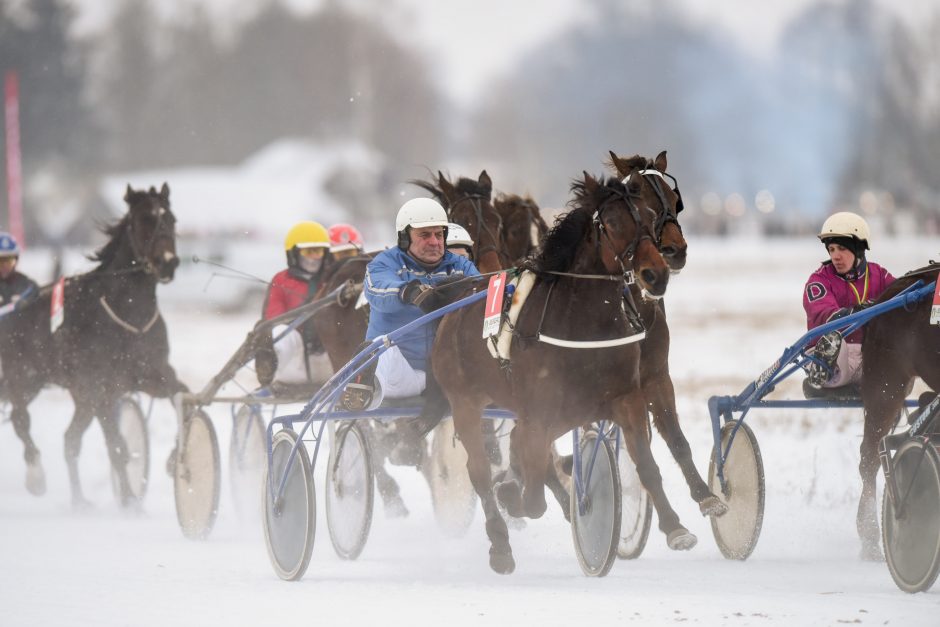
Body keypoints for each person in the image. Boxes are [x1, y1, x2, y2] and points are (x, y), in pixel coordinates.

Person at [342, 199, 479, 461]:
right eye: (424, 235)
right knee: (383, 347)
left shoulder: (460, 265)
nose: (434, 242)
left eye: (439, 235)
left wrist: (462, 286)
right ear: (405, 238)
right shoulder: (384, 263)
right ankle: (360, 381)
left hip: (445, 376)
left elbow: (480, 292)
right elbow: (377, 289)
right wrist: (409, 290)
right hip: (399, 374)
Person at [802, 211, 894, 393]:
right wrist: (866, 310)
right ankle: (822, 376)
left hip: (868, 358)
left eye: (842, 249)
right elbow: (825, 317)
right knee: (835, 341)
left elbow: (904, 296)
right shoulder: (819, 280)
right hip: (835, 357)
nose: (835, 256)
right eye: (832, 249)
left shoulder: (879, 274)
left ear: (858, 249)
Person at [255, 221, 333, 386]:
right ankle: (267, 366)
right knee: (279, 331)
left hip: (330, 360)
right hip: (294, 362)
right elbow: (273, 318)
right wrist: (304, 313)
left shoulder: (332, 279)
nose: (313, 258)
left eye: (317, 251)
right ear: (294, 254)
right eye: (308, 251)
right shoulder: (281, 280)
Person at [0, 232, 38, 382]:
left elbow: (34, 291)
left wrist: (23, 302)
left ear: (16, 261)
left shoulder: (24, 283)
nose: (4, 268)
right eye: (0, 262)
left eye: (8, 262)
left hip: (20, 347)